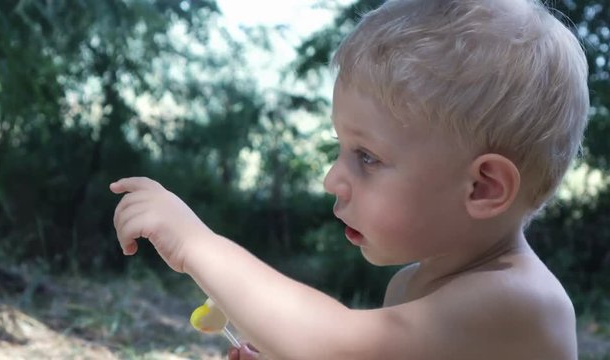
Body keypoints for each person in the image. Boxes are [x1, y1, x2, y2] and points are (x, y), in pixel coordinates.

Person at [110, 0, 589, 358]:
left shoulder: (520, 302)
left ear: (482, 188)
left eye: (367, 157)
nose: (331, 180)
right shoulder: (409, 287)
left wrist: (198, 245)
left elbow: (335, 345)